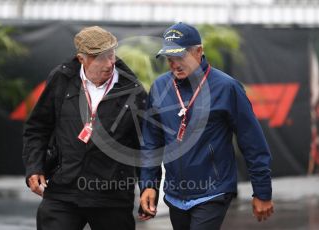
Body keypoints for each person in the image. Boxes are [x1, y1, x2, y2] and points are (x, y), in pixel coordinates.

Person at [139, 22, 274, 229]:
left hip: (213, 191)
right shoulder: (160, 86)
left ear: (199, 51)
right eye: (170, 58)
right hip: (175, 194)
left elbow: (252, 142)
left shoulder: (226, 87)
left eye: (181, 56)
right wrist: (148, 184)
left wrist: (262, 192)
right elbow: (151, 142)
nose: (175, 64)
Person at [22, 26, 146, 230]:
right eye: (100, 58)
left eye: (111, 54)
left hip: (111, 195)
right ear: (82, 59)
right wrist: (34, 166)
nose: (109, 63)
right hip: (63, 190)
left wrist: (148, 187)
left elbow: (144, 144)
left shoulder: (133, 90)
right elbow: (38, 127)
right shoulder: (61, 79)